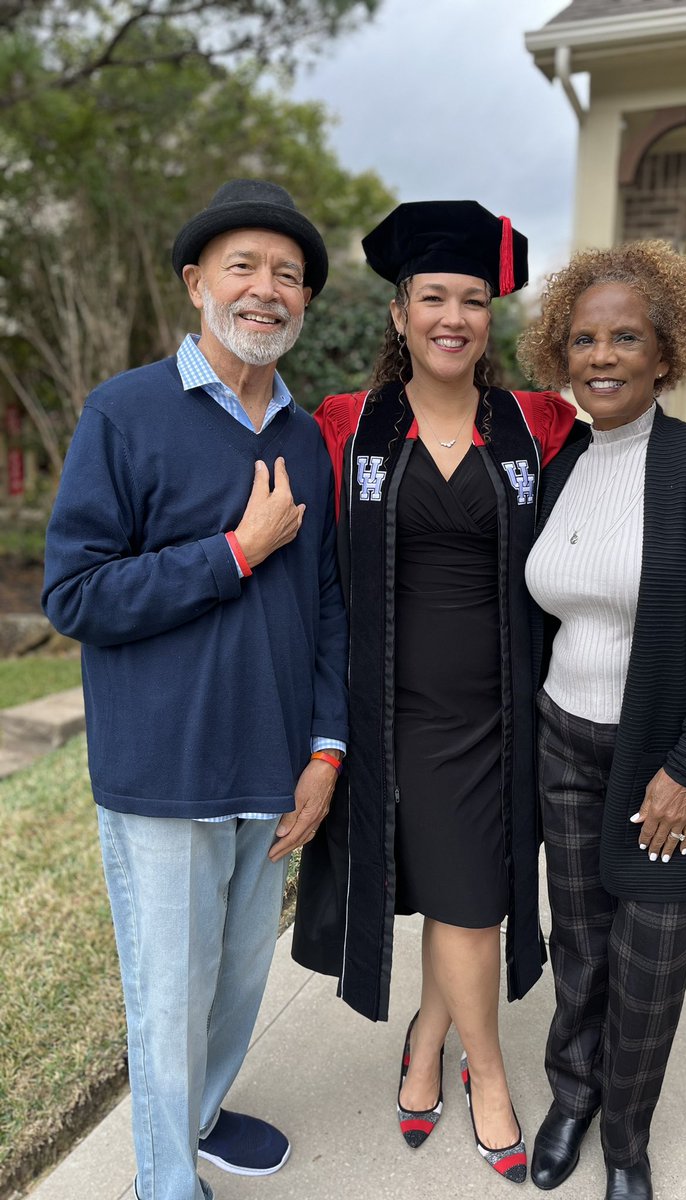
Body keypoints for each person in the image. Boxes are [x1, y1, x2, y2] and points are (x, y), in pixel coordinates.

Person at [292, 202, 686, 1185]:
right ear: (399, 315)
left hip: (506, 710)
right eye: (431, 298)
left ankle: (451, 1053)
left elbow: (635, 440)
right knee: (455, 893)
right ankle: (468, 1060)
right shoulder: (346, 424)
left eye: (471, 299)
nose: (452, 316)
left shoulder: (538, 425)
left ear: (491, 319)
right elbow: (313, 564)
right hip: (397, 713)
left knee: (470, 897)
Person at [42, 179, 349, 1200]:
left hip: (271, 767)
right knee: (168, 998)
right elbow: (76, 593)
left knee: (231, 985)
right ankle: (165, 1183)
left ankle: (204, 1115)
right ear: (195, 283)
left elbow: (329, 607)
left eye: (289, 276)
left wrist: (326, 748)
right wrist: (234, 552)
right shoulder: (125, 414)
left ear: (304, 302)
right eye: (244, 268)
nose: (267, 291)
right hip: (165, 771)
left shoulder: (306, 439)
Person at [519, 240, 686, 1200]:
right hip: (563, 741)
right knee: (578, 937)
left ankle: (626, 1140)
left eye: (627, 337)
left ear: (667, 354)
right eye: (584, 339)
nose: (603, 356)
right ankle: (572, 1095)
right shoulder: (560, 461)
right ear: (562, 353)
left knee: (651, 956)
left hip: (661, 757)